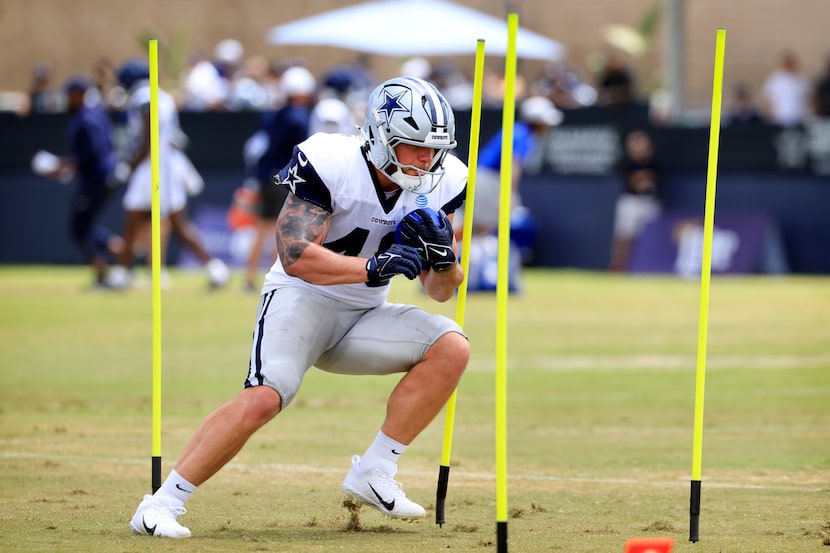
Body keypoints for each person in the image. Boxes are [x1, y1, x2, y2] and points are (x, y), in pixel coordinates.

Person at [129, 76, 469, 538]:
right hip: (302, 301)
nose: (427, 159)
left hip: (364, 315)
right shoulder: (332, 162)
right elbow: (294, 255)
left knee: (452, 346)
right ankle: (161, 503)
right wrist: (373, 267)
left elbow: (440, 290)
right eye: (413, 146)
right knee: (265, 397)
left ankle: (374, 471)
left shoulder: (444, 181)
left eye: (434, 148)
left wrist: (445, 259)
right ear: (381, 136)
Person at [107, 59, 229, 290]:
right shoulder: (162, 97)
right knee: (169, 223)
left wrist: (129, 166)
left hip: (152, 166)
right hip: (164, 164)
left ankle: (122, 274)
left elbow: (149, 136)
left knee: (138, 220)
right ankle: (216, 269)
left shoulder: (145, 98)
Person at [34, 76, 126, 287]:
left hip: (97, 178)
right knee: (84, 226)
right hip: (100, 177)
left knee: (79, 228)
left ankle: (109, 265)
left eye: (70, 95)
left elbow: (93, 152)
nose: (68, 99)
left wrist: (64, 166)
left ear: (80, 94)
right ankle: (118, 250)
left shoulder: (87, 119)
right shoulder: (95, 115)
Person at [242, 65, 316, 291]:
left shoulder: (271, 115)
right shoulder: (301, 118)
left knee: (262, 229)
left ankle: (249, 279)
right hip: (287, 178)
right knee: (283, 231)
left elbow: (257, 148)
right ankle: (275, 279)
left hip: (267, 177)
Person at [608, 129, 662, 272]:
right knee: (624, 235)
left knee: (649, 236)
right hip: (631, 202)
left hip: (650, 202)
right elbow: (632, 181)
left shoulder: (655, 162)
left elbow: (656, 180)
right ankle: (619, 265)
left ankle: (647, 264)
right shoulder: (626, 163)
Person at [761, 50, 810, 127]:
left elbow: (808, 98)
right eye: (787, 63)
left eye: (791, 63)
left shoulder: (801, 79)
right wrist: (770, 115)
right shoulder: (775, 79)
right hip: (780, 118)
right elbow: (768, 99)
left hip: (798, 117)